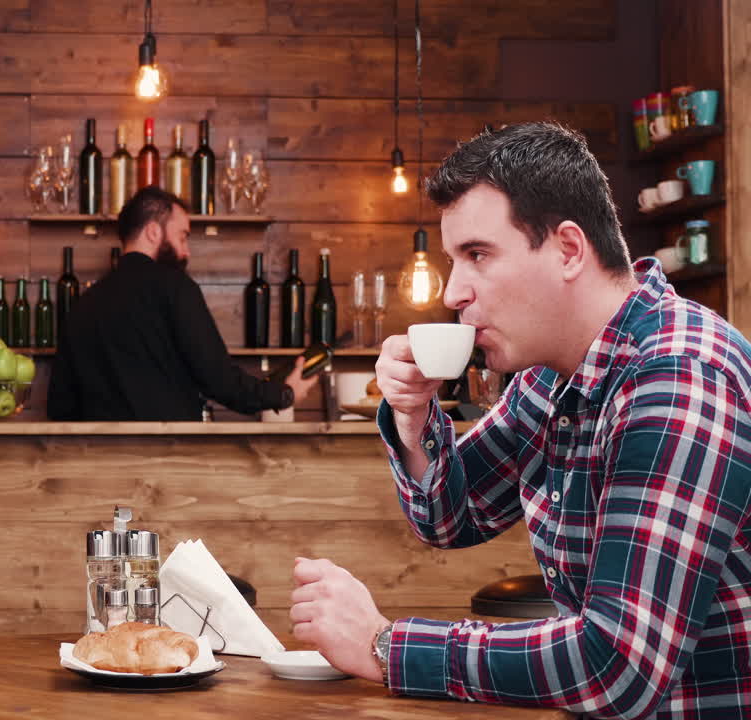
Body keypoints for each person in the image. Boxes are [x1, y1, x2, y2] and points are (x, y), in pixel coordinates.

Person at [289, 123, 751, 717]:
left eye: (478, 254)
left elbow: (617, 664)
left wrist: (384, 645)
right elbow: (451, 518)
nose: (454, 291)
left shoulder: (680, 373)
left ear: (567, 250)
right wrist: (412, 416)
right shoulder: (549, 371)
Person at [47, 187, 317, 421]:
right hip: (170, 463)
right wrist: (284, 394)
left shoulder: (83, 305)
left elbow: (60, 406)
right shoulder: (175, 287)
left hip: (96, 469)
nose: (186, 251)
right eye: (182, 236)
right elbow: (219, 380)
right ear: (153, 232)